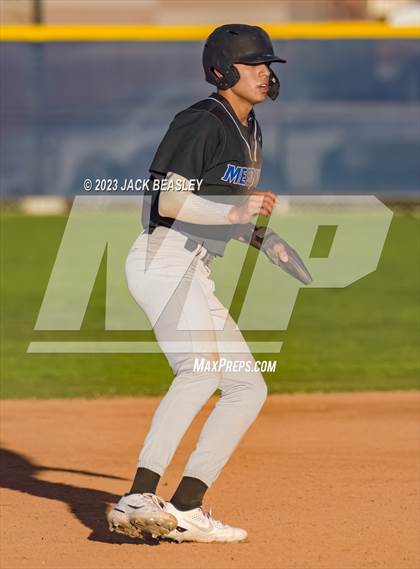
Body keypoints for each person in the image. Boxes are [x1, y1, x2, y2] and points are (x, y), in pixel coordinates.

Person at [107, 23, 311, 544]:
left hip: (195, 268)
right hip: (163, 259)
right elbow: (171, 202)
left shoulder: (251, 130)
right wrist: (236, 213)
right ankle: (137, 497)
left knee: (246, 387)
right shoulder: (201, 121)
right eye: (253, 64)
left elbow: (225, 210)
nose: (265, 73)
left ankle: (186, 508)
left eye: (268, 65)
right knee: (199, 371)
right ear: (223, 70)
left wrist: (263, 237)